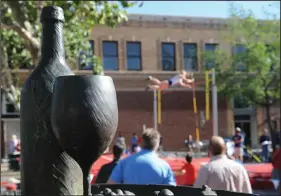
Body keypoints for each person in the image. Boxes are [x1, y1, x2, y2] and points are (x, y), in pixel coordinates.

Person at [108, 128, 176, 185]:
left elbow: (110, 186)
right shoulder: (165, 167)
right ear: (157, 144)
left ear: (142, 142)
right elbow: (172, 191)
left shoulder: (125, 163)